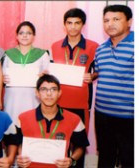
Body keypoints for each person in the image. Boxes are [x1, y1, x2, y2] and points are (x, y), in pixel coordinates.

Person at [50, 8, 98, 167]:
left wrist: (93, 76)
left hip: (80, 103)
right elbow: (51, 71)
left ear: (82, 25)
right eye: (69, 23)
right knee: (58, 141)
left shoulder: (93, 46)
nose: (73, 27)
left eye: (77, 23)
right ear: (64, 25)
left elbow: (98, 70)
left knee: (79, 143)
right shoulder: (55, 46)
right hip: (58, 102)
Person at [16, 74, 89, 168]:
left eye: (54, 89)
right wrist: (21, 156)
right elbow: (18, 143)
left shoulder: (75, 119)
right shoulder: (22, 118)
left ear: (59, 93)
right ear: (37, 93)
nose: (49, 94)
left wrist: (71, 160)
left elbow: (81, 147)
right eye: (44, 89)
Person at [92, 4, 134, 168]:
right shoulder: (100, 50)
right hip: (102, 115)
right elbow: (100, 73)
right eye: (106, 20)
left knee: (129, 160)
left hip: (129, 118)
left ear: (129, 21)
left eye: (116, 19)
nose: (110, 24)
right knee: (105, 158)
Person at [2, 21, 50, 126]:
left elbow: (49, 78)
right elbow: (2, 74)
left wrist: (44, 77)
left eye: (28, 33)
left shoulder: (42, 54)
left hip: (33, 98)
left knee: (32, 125)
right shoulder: (8, 54)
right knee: (12, 128)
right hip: (12, 98)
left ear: (34, 36)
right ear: (16, 36)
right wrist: (3, 79)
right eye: (21, 33)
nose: (25, 36)